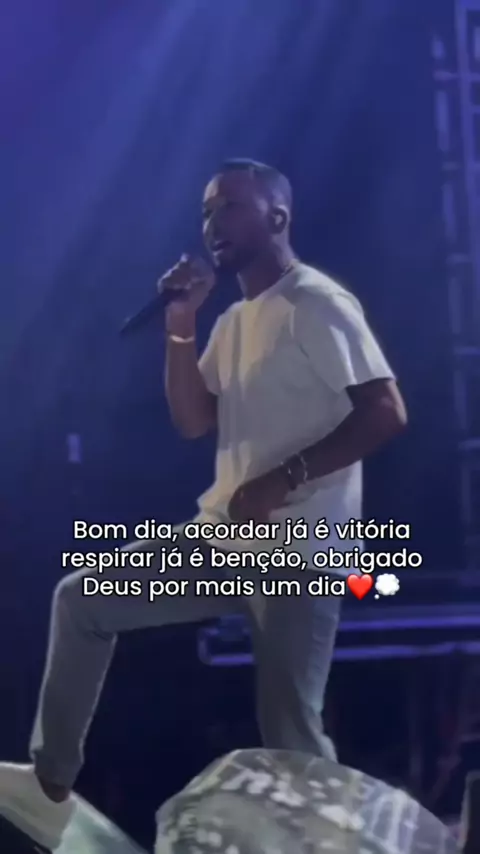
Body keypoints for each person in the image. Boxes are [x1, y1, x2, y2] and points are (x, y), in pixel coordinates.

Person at [0, 159, 407, 850]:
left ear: (277, 216)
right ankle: (49, 785)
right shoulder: (236, 320)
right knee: (83, 600)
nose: (214, 223)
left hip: (300, 553)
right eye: (207, 211)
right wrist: (182, 323)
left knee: (291, 735)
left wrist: (284, 477)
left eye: (230, 207)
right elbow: (193, 420)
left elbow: (386, 411)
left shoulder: (318, 302)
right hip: (220, 540)